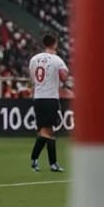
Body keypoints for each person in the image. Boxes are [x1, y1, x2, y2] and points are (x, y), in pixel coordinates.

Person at [28, 33, 68, 173]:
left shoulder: (34, 59)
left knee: (46, 131)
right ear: (55, 43)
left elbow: (33, 78)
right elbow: (64, 77)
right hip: (50, 98)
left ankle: (49, 162)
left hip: (38, 98)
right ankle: (39, 160)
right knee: (48, 132)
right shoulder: (57, 60)